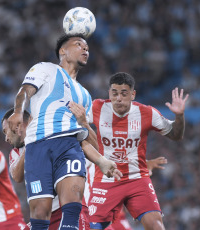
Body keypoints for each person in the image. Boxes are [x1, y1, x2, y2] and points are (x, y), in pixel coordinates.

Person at [8, 33, 121, 230]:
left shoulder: (85, 95)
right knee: (40, 214)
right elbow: (25, 91)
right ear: (63, 51)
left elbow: (87, 140)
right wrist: (18, 111)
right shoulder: (46, 69)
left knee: (72, 206)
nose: (85, 49)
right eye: (78, 45)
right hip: (37, 145)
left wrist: (100, 158)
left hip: (68, 146)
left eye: (87, 47)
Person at [88, 72, 189, 230]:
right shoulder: (96, 107)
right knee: (92, 227)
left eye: (124, 93)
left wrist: (179, 116)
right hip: (106, 180)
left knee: (156, 226)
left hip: (137, 179)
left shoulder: (147, 113)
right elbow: (73, 122)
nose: (118, 98)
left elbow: (176, 135)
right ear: (109, 93)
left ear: (133, 94)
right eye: (114, 93)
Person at [2, 108, 91, 229]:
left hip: (66, 208)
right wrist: (31, 141)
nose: (6, 138)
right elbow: (17, 176)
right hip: (42, 215)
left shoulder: (53, 135)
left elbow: (91, 148)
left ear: (17, 126)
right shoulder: (15, 152)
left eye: (5, 131)